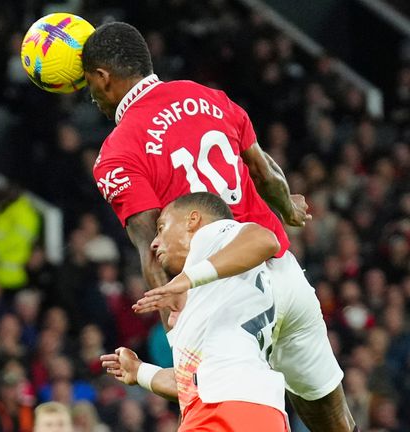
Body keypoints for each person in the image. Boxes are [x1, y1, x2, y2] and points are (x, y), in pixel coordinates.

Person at [82, 21, 355, 431]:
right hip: (281, 269)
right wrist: (288, 209)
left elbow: (151, 252)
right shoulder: (208, 97)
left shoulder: (117, 152)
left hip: (221, 295)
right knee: (332, 414)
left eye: (88, 84)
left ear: (103, 78)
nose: (90, 95)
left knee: (220, 412)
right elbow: (265, 173)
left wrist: (178, 344)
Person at [101, 193, 287, 430]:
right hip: (255, 410)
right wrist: (140, 372)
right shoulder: (221, 290)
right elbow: (192, 382)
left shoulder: (211, 235)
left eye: (161, 227)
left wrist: (186, 279)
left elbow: (265, 239)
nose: (154, 242)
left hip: (223, 411)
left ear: (193, 220)